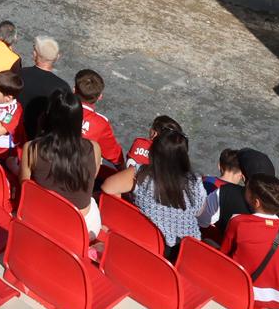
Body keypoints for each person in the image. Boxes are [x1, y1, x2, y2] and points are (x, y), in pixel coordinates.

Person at [100, 124, 205, 257]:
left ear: (154, 152)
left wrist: (134, 206)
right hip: (186, 252)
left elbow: (107, 187)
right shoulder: (195, 181)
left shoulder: (141, 173)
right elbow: (199, 211)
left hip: (152, 244)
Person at [20, 88, 100, 239]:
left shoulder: (32, 148)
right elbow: (91, 178)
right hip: (81, 227)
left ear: (47, 117)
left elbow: (25, 186)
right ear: (79, 120)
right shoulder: (94, 148)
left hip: (40, 217)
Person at [222, 175, 279, 309]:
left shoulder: (238, 222)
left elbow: (224, 254)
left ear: (256, 202)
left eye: (246, 190)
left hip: (243, 291)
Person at [19, 35, 71, 139]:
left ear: (34, 54)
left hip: (16, 131)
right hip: (41, 139)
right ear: (58, 57)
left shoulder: (20, 74)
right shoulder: (62, 87)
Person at [74, 68, 123, 166]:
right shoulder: (101, 123)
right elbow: (116, 157)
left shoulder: (56, 105)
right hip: (77, 173)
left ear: (74, 89)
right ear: (100, 97)